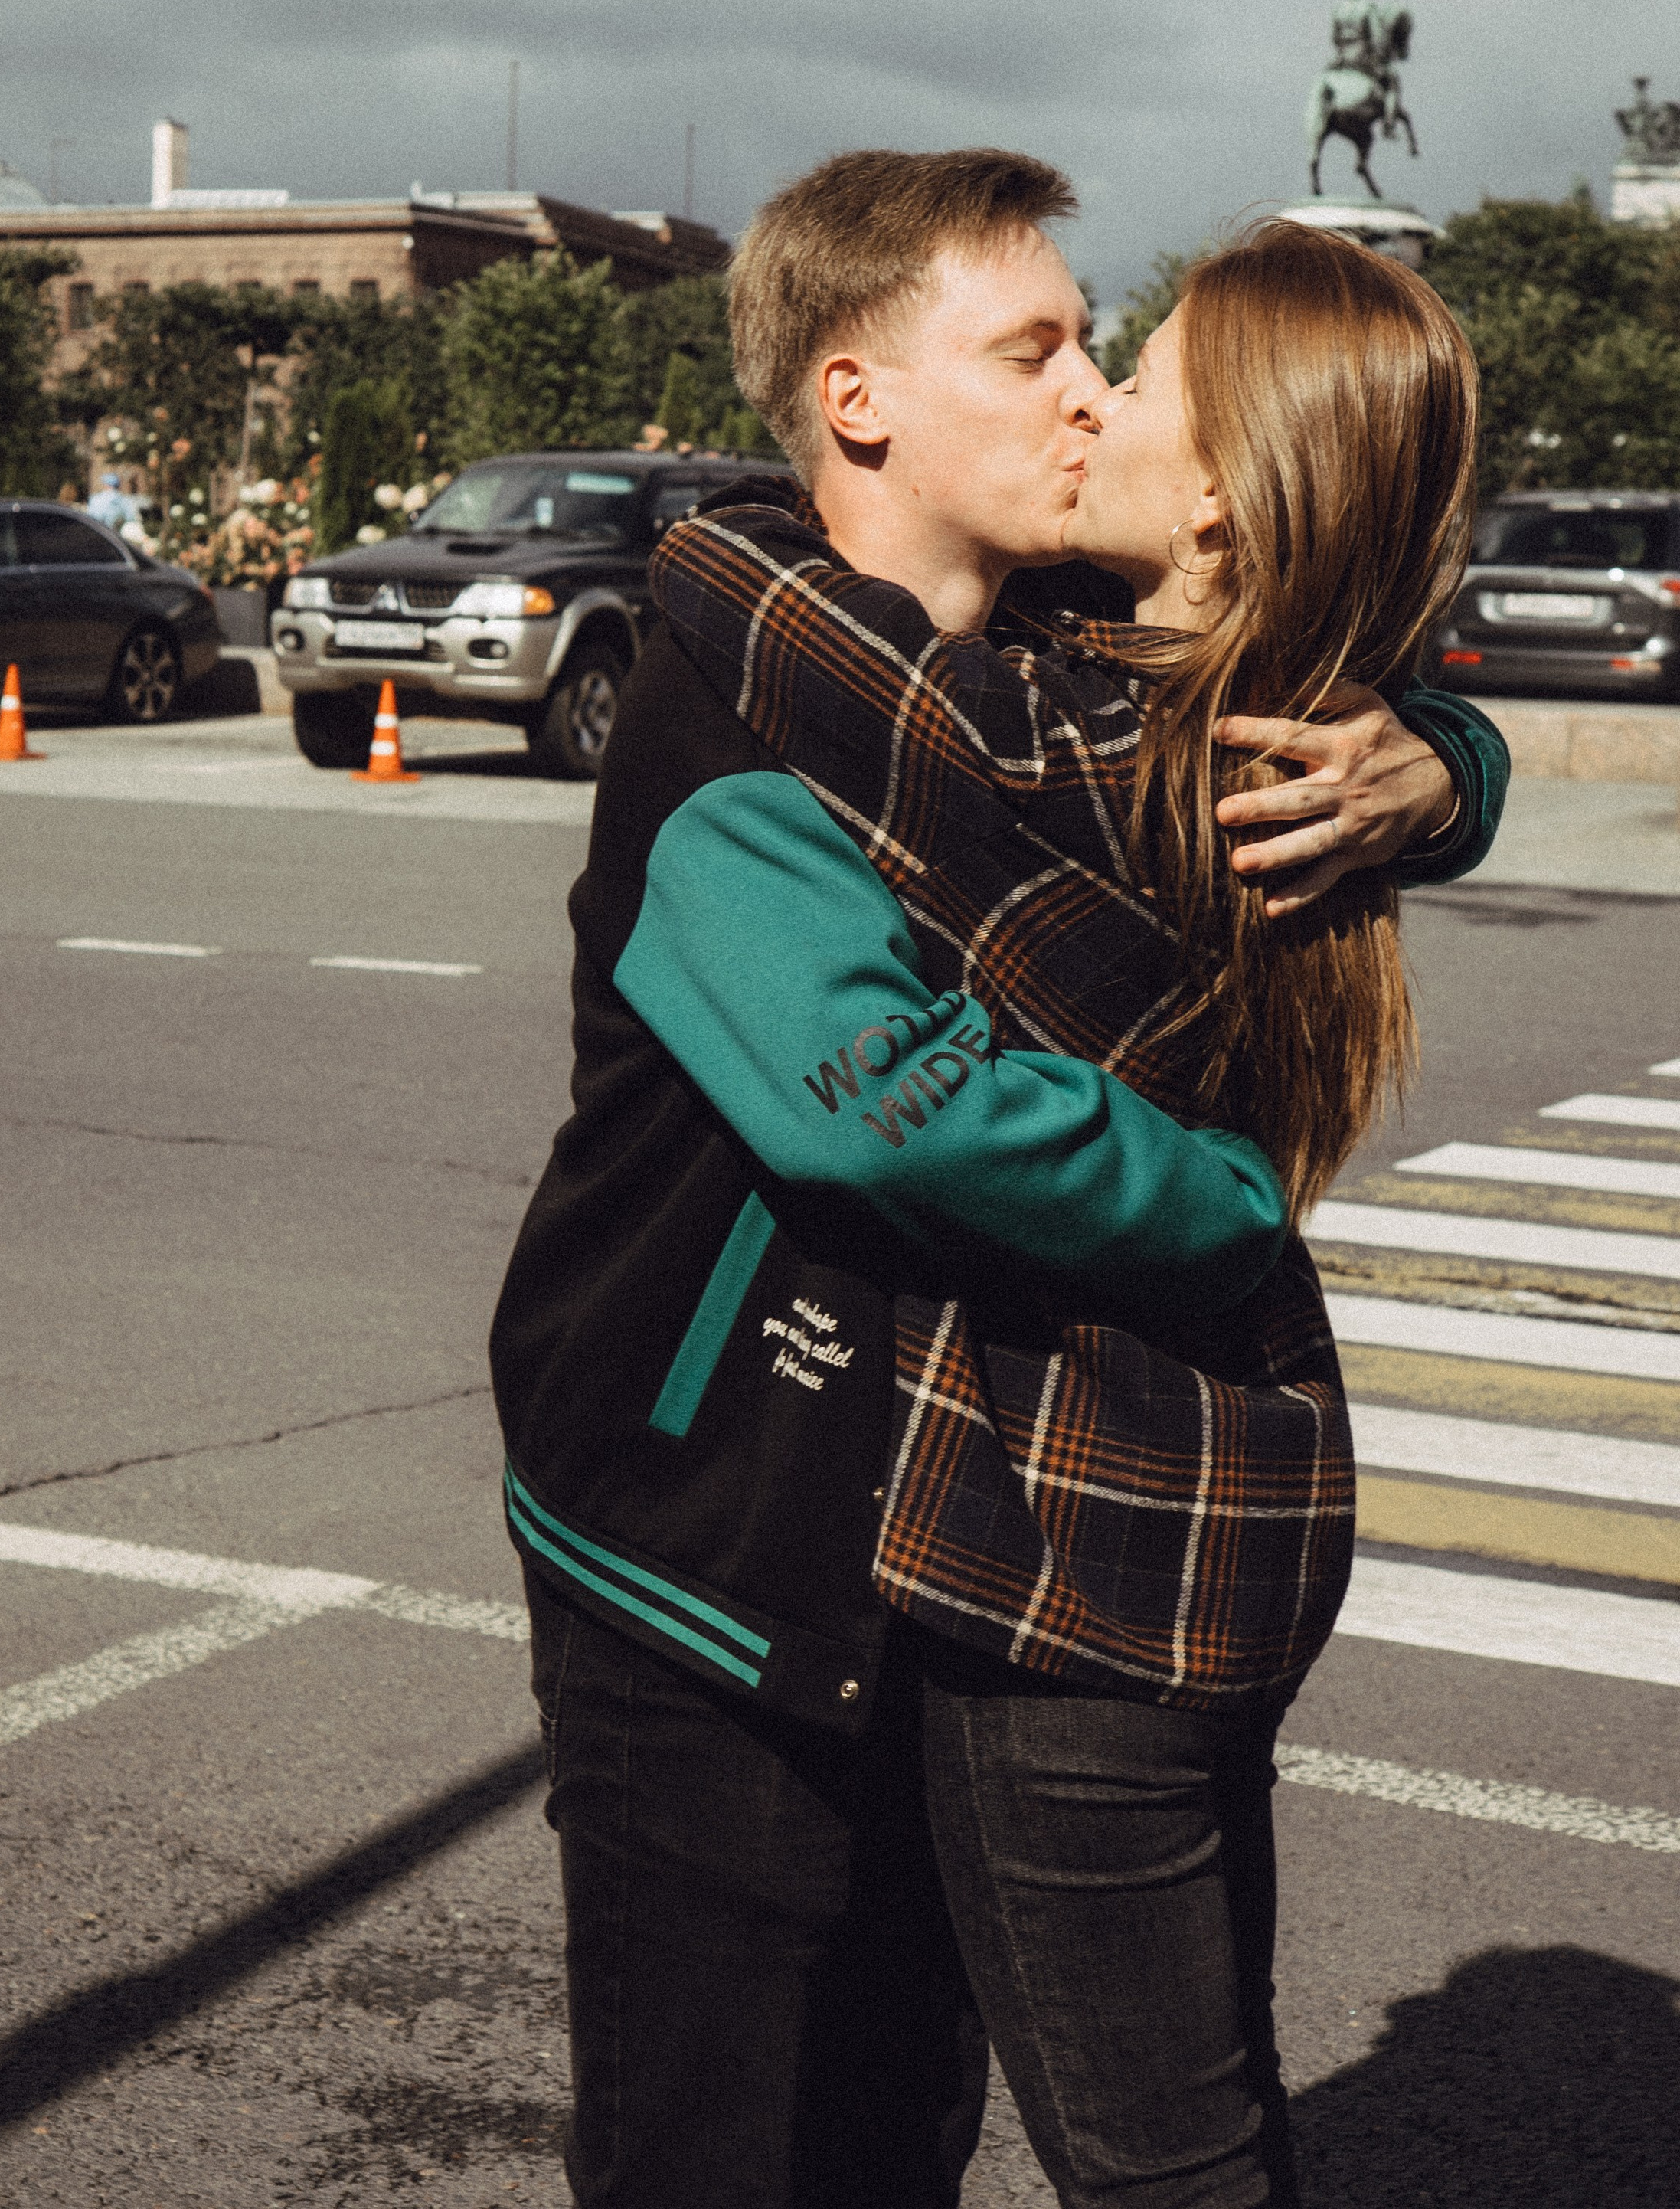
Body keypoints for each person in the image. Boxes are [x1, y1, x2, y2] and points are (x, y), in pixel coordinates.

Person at [489, 152, 1506, 2207]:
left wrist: (1433, 764)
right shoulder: (732, 715)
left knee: (893, 2121)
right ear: (862, 400)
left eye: (1099, 348)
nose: (1089, 388)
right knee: (723, 2143)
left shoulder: (1042, 656)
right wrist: (1227, 1206)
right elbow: (894, 1103)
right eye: (1037, 347)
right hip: (715, 1543)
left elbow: (1296, 633)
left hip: (952, 1546)